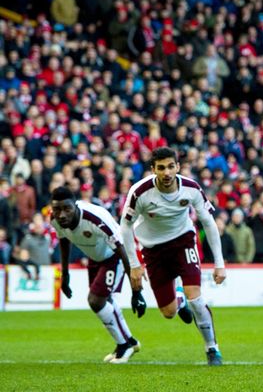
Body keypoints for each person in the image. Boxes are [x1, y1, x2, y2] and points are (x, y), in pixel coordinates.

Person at [120, 147, 227, 366]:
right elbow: (125, 225)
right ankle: (179, 300)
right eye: (161, 168)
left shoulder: (191, 188)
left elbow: (208, 222)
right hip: (153, 250)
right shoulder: (139, 192)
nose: (167, 172)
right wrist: (134, 264)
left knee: (196, 298)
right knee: (168, 312)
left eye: (171, 167)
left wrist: (219, 264)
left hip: (183, 241)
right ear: (153, 170)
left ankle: (212, 349)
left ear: (177, 167)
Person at [50, 187, 142, 364]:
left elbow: (123, 252)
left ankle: (125, 345)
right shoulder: (55, 219)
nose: (61, 215)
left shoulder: (96, 219)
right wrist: (65, 274)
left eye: (66, 209)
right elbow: (63, 241)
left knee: (96, 300)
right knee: (102, 301)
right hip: (94, 257)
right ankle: (127, 342)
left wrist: (136, 291)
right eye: (57, 209)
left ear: (75, 206)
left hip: (113, 256)